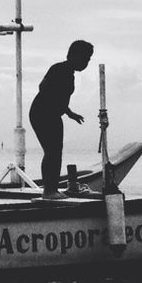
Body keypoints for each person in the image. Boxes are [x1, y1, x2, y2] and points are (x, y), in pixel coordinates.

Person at [29, 40, 94, 198]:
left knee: (55, 151)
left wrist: (70, 113)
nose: (86, 62)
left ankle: (51, 189)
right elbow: (43, 88)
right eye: (85, 58)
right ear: (72, 55)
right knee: (52, 151)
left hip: (51, 113)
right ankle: (49, 191)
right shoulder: (59, 69)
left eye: (89, 59)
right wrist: (55, 106)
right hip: (43, 113)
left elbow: (61, 98)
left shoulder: (68, 73)